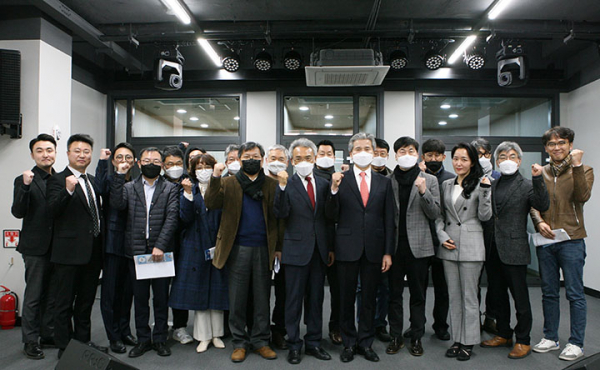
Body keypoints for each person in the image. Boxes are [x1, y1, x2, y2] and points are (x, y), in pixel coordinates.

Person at [205, 141, 281, 363]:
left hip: (263, 248)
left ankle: (260, 341)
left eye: (255, 156)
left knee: (262, 298)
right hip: (236, 248)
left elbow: (279, 219)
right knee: (237, 299)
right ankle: (239, 342)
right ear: (239, 159)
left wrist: (278, 248)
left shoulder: (271, 184)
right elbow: (211, 202)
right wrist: (215, 176)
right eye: (246, 156)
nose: (251, 160)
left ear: (262, 159)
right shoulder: (229, 183)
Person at [326, 132, 395, 363]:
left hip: (374, 248)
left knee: (369, 298)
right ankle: (348, 342)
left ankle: (366, 342)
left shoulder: (385, 182)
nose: (363, 152)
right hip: (347, 246)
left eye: (367, 148)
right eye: (358, 149)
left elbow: (389, 219)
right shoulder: (339, 180)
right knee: (346, 298)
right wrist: (334, 190)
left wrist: (387, 252)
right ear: (350, 153)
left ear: (374, 152)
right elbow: (331, 215)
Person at [480, 141, 549, 359]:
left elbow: (542, 204)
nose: (506, 160)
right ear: (496, 161)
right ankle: (503, 333)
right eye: (502, 157)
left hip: (515, 248)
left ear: (519, 160)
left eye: (511, 156)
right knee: (497, 295)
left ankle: (523, 340)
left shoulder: (527, 185)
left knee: (520, 298)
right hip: (492, 248)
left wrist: (539, 179)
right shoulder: (492, 183)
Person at [531, 127, 594, 361]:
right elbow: (534, 202)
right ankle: (550, 337)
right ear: (546, 148)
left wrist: (576, 166)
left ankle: (576, 342)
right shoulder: (541, 172)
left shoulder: (585, 170)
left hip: (572, 240)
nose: (557, 147)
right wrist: (538, 222)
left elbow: (582, 196)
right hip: (546, 241)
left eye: (562, 142)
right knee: (549, 292)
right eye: (552, 144)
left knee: (575, 293)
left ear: (570, 145)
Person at [111, 147, 180, 358]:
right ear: (139, 163)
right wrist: (118, 176)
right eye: (147, 160)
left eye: (156, 161)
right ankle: (143, 340)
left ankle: (160, 339)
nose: (151, 164)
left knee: (161, 299)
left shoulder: (170, 188)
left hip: (160, 252)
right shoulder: (129, 187)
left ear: (162, 165)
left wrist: (160, 245)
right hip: (136, 252)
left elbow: (172, 218)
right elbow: (117, 204)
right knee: (140, 299)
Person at [273, 138, 335, 364]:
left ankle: (314, 342)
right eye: (298, 159)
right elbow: (279, 214)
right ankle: (294, 344)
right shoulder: (285, 184)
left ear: (315, 158)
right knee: (293, 300)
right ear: (291, 161)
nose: (303, 162)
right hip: (295, 250)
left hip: (319, 251)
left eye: (308, 158)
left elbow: (328, 218)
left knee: (316, 299)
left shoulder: (323, 183)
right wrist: (280, 187)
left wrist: (329, 247)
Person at [46, 134, 107, 358]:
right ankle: (65, 347)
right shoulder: (57, 179)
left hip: (92, 253)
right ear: (68, 153)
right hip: (67, 254)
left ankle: (83, 342)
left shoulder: (92, 180)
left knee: (85, 302)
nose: (82, 155)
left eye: (86, 151)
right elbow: (51, 211)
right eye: (77, 151)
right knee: (63, 304)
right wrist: (68, 190)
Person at [435, 142, 492, 361]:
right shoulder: (447, 184)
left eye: (464, 159)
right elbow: (439, 216)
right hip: (449, 244)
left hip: (471, 245)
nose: (459, 163)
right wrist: (441, 236)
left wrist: (486, 191)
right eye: (456, 158)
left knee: (470, 297)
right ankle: (457, 339)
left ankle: (469, 341)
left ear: (472, 162)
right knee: (454, 296)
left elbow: (485, 217)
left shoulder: (481, 184)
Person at [386, 137, 441, 357]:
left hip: (419, 247)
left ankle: (417, 337)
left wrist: (423, 192)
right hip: (394, 249)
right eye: (402, 150)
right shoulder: (388, 180)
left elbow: (435, 212)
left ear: (417, 154)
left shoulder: (429, 179)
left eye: (411, 150)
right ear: (396, 155)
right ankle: (396, 336)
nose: (406, 153)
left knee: (418, 295)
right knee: (394, 295)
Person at [169, 154, 228, 353]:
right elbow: (184, 219)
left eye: (207, 166)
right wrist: (187, 194)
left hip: (217, 246)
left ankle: (217, 334)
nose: (203, 170)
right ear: (193, 170)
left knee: (217, 291)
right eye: (199, 167)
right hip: (194, 246)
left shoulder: (221, 187)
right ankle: (203, 336)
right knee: (200, 292)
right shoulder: (187, 189)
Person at [11, 134, 58, 360]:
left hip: (58, 248)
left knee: (53, 295)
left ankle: (47, 335)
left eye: (49, 150)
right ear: (32, 154)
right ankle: (30, 341)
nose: (45, 154)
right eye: (39, 151)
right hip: (35, 249)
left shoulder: (61, 179)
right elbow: (18, 211)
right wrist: (26, 187)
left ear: (55, 153)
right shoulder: (24, 180)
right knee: (34, 295)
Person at [95, 143, 138, 354]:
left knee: (126, 293)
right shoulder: (112, 179)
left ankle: (124, 330)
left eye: (128, 158)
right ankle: (113, 337)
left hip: (132, 244)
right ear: (114, 161)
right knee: (110, 294)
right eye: (119, 157)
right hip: (113, 243)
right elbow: (101, 189)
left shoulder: (137, 182)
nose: (124, 161)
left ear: (134, 162)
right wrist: (102, 162)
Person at [417, 139, 454, 341]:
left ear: (443, 157)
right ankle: (418, 324)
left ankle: (440, 325)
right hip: (421, 240)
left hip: (443, 240)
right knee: (419, 288)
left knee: (442, 288)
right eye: (429, 155)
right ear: (423, 157)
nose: (433, 159)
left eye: (437, 155)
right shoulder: (415, 177)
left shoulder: (451, 179)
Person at [160, 145, 194, 345]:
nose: (174, 167)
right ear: (164, 166)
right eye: (170, 164)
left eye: (178, 164)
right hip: (162, 244)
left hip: (184, 243)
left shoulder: (189, 182)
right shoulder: (158, 183)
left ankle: (180, 327)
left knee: (180, 287)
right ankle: (162, 325)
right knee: (161, 288)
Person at [313, 139, 342, 345]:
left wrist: (333, 247)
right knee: (313, 292)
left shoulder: (342, 178)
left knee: (338, 291)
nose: (325, 156)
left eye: (328, 153)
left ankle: (336, 327)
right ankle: (312, 331)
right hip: (313, 244)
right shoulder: (309, 177)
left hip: (337, 243)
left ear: (334, 156)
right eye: (321, 153)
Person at [471, 137, 500, 334]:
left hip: (493, 237)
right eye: (477, 155)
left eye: (485, 154)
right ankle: (472, 319)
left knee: (495, 281)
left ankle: (491, 317)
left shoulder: (500, 176)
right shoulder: (467, 177)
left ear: (490, 155)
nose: (482, 158)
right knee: (472, 282)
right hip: (472, 235)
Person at [264, 144, 290, 350]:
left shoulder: (291, 183)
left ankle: (279, 329)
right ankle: (260, 331)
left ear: (287, 162)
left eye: (281, 158)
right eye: (273, 158)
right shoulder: (258, 182)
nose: (277, 161)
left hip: (286, 248)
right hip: (260, 246)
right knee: (259, 291)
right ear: (265, 160)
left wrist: (280, 247)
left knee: (284, 292)